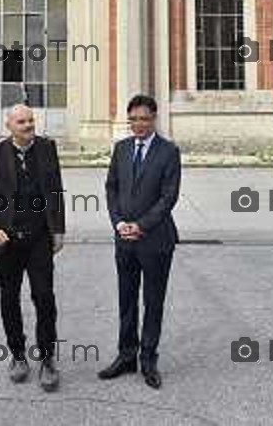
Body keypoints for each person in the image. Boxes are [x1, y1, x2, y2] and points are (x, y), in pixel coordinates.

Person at [0, 104, 65, 392]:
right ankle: (17, 355)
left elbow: (55, 190)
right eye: (21, 121)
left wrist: (58, 229)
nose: (28, 125)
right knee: (9, 298)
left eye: (30, 120)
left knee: (44, 297)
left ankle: (48, 359)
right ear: (9, 126)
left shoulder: (47, 148)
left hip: (39, 238)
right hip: (8, 240)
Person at [98, 94, 181, 389]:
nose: (138, 124)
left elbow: (168, 197)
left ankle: (148, 359)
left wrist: (141, 226)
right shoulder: (120, 149)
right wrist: (119, 223)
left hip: (156, 240)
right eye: (133, 119)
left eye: (143, 119)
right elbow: (111, 189)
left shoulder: (168, 151)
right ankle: (126, 355)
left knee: (153, 301)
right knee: (127, 300)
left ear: (154, 118)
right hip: (124, 240)